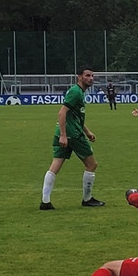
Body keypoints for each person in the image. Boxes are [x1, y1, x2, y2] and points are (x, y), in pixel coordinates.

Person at [39, 68, 104, 210]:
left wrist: (87, 131)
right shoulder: (76, 92)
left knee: (55, 166)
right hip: (72, 134)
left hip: (64, 133)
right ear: (79, 77)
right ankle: (87, 199)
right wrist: (64, 135)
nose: (91, 78)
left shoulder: (77, 91)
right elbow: (62, 113)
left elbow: (74, 117)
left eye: (92, 76)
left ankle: (45, 202)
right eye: (87, 75)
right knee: (91, 165)